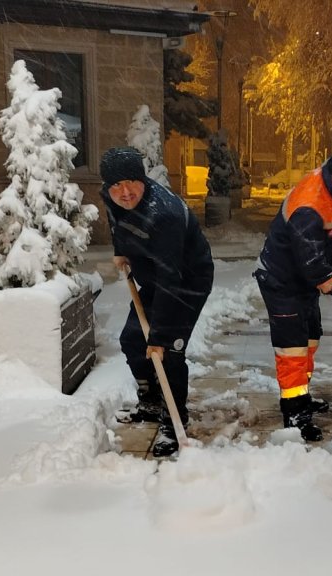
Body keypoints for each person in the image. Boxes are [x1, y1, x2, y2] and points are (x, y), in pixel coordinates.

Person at [100, 146, 214, 458]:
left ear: (143, 179)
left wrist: (162, 337)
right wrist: (120, 249)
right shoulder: (110, 195)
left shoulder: (164, 214)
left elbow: (170, 280)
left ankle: (173, 420)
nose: (124, 193)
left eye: (131, 183)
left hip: (185, 281)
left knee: (168, 354)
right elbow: (116, 220)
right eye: (116, 186)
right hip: (153, 275)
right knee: (133, 339)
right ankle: (150, 402)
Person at [253, 139, 332, 442]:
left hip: (303, 279)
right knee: (292, 347)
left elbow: (326, 244)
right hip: (281, 278)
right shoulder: (309, 204)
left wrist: (329, 273)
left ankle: (300, 396)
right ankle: (294, 413)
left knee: (310, 338)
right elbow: (311, 260)